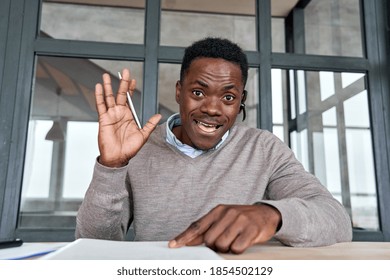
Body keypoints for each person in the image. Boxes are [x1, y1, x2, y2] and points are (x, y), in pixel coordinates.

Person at [76, 37, 352, 254]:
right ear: (178, 91)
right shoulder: (139, 148)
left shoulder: (264, 148)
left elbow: (335, 221)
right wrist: (112, 167)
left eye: (228, 97)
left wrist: (272, 214)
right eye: (198, 92)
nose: (211, 108)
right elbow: (93, 244)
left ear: (240, 100)